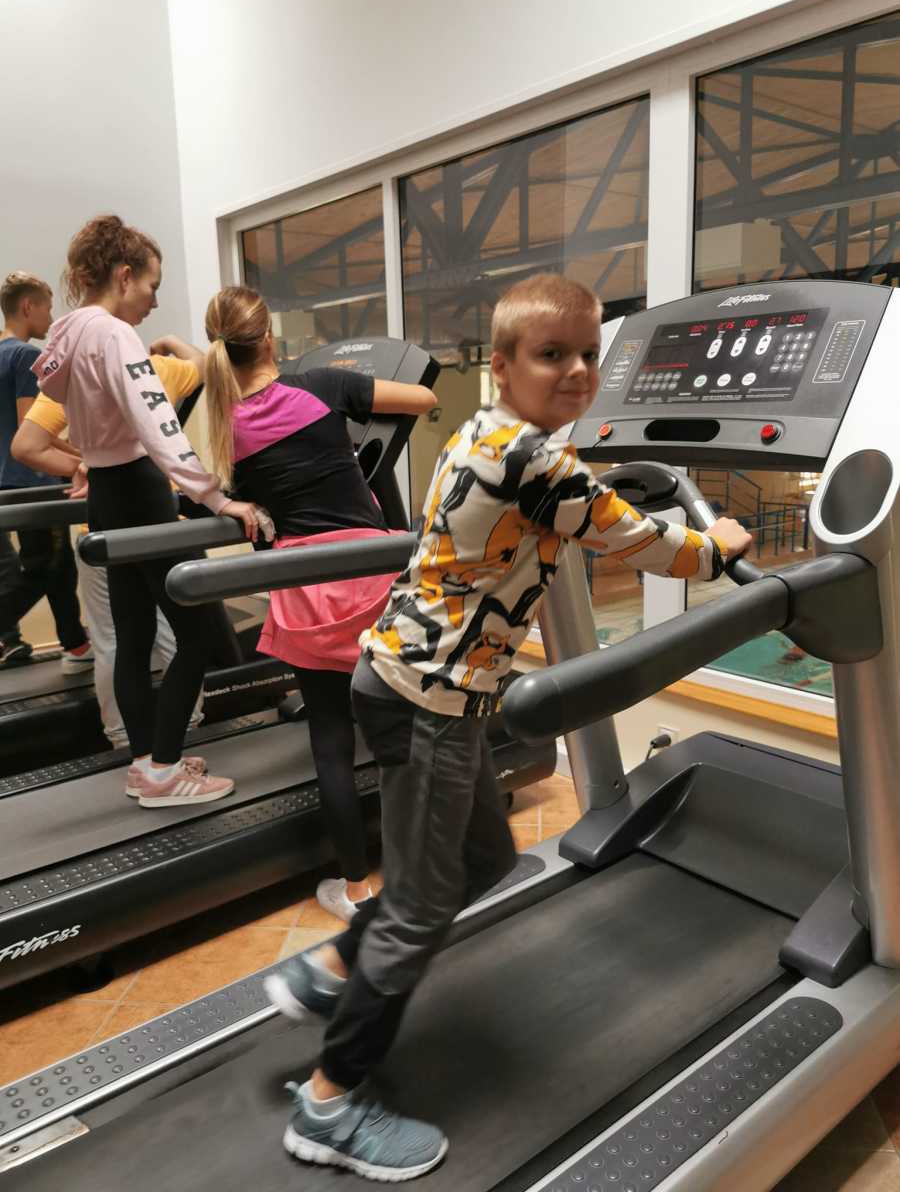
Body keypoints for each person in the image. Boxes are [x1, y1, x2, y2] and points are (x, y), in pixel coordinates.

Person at [263, 273, 754, 1181]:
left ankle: (333, 964)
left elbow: (580, 513)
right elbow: (650, 546)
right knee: (419, 911)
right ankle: (328, 1105)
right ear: (502, 364)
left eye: (588, 354)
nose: (576, 371)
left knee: (486, 860)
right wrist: (718, 542)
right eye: (550, 354)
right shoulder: (540, 467)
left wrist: (615, 509)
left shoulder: (484, 434)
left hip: (404, 682)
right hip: (430, 705)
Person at [202, 286, 436, 921]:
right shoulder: (323, 386)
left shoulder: (226, 428)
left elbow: (224, 495)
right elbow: (423, 398)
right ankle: (428, 867)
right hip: (372, 580)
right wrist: (351, 395)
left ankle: (355, 890)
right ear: (268, 338)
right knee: (407, 727)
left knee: (331, 740)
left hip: (306, 592)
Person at [31, 214, 259, 808]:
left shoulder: (69, 332)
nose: (155, 301)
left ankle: (146, 763)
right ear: (125, 275)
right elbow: (159, 427)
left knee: (132, 637)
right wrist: (217, 496)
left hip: (106, 494)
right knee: (199, 634)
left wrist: (88, 458)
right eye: (153, 286)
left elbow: (59, 396)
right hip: (139, 491)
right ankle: (164, 768)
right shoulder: (113, 334)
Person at [12, 341, 206, 750]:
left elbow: (26, 446)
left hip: (101, 530)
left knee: (112, 641)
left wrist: (82, 466)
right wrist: (170, 343)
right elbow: (203, 363)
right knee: (174, 636)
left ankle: (123, 739)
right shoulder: (155, 368)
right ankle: (184, 732)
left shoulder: (74, 379)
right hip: (157, 526)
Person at [0, 271, 92, 671]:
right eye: (47, 308)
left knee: (59, 565)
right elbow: (32, 429)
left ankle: (76, 646)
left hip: (9, 481)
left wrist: (77, 450)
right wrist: (81, 457)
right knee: (43, 568)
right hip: (33, 479)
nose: (51, 318)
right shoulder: (24, 356)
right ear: (28, 306)